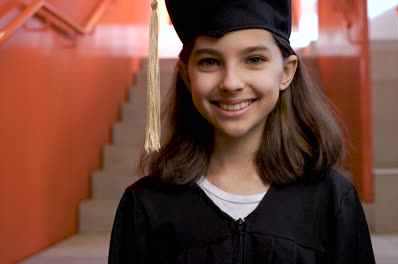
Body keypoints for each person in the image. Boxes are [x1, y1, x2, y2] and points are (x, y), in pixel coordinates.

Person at [108, 0, 375, 263]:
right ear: (187, 76)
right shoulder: (148, 204)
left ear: (286, 71)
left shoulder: (330, 199)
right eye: (210, 62)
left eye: (254, 59)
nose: (231, 83)